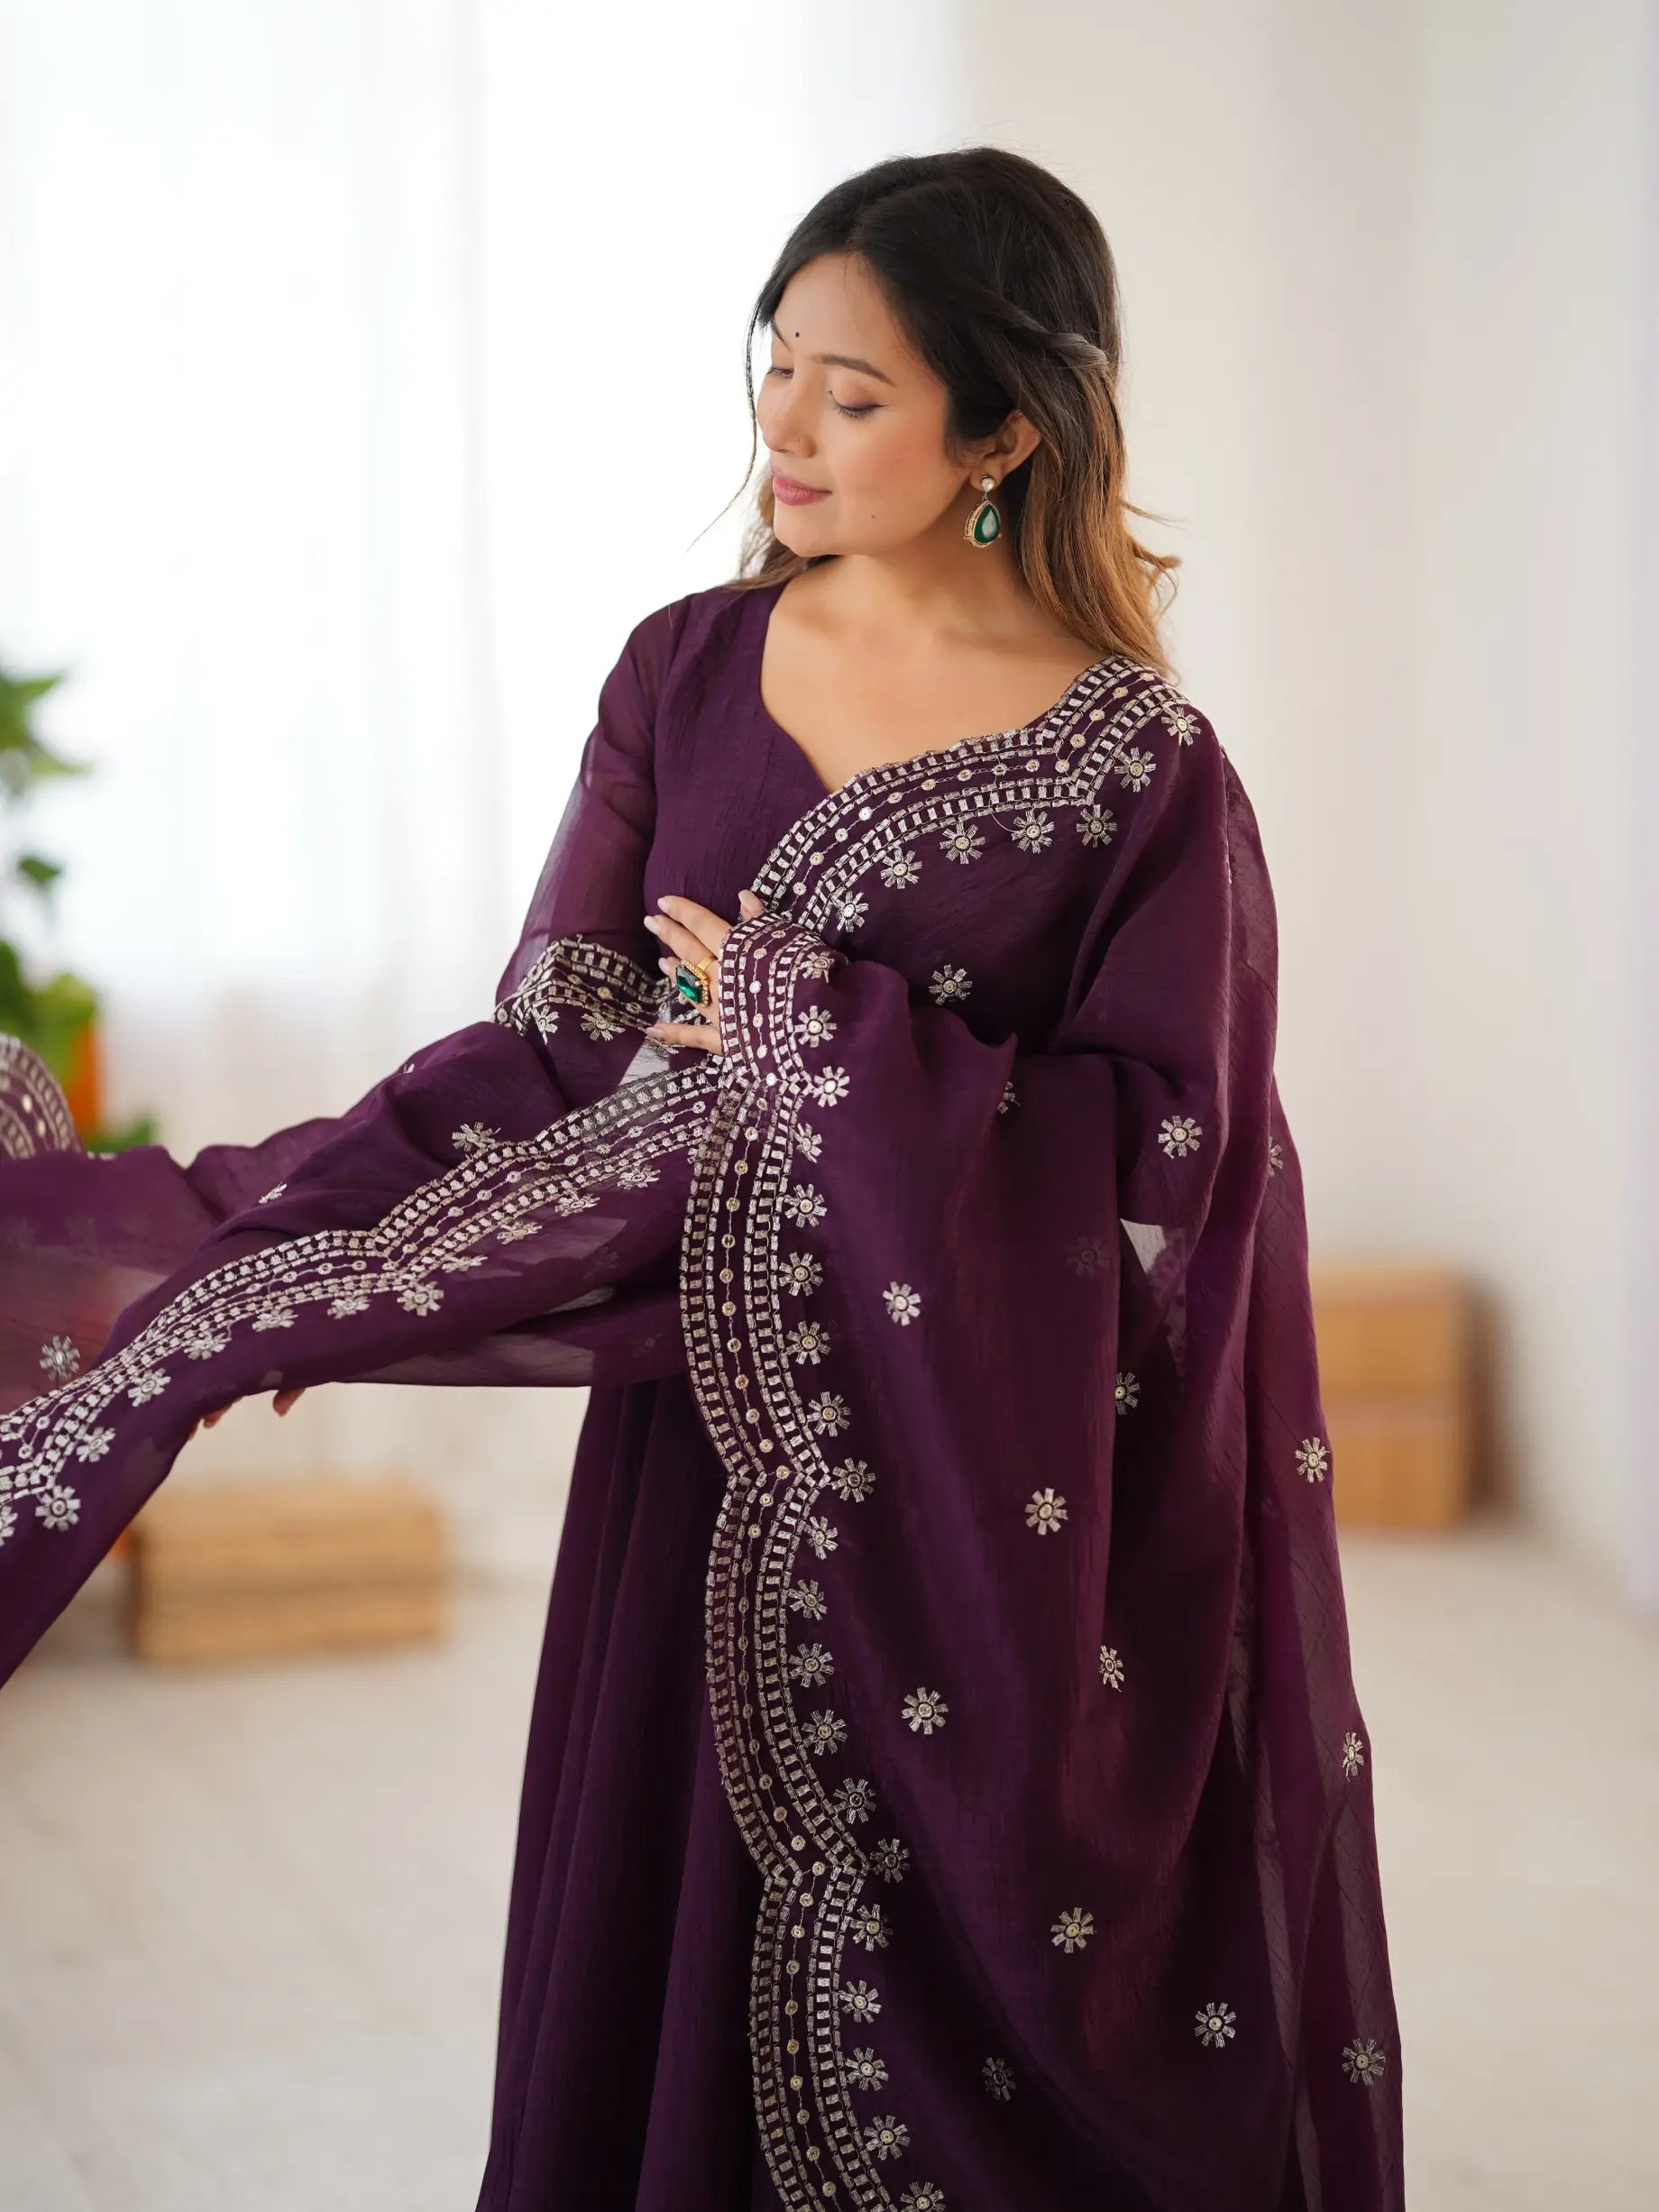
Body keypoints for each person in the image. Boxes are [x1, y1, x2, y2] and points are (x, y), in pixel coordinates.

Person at [0, 148, 1404, 2209]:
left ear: (1002, 432)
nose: (784, 428)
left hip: (982, 1508)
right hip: (709, 1462)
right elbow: (551, 1057)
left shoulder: (1135, 776)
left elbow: (1161, 1169)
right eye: (774, 366)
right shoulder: (683, 669)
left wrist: (812, 1032)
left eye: (854, 392)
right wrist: (323, 1281)